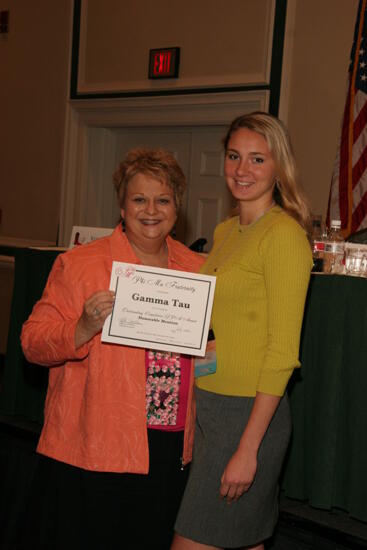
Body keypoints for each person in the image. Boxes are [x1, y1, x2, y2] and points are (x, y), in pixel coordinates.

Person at [20, 148, 205, 550]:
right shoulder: (81, 264)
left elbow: (207, 355)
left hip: (169, 443)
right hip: (96, 443)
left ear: (177, 207)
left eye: (163, 200)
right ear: (122, 206)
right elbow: (32, 343)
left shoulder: (197, 268)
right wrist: (82, 327)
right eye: (139, 199)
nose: (151, 210)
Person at [172, 112, 313, 550]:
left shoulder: (284, 236)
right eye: (235, 156)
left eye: (257, 159)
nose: (242, 170)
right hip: (211, 404)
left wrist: (248, 448)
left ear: (278, 167)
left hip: (249, 416)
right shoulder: (225, 231)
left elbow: (282, 352)